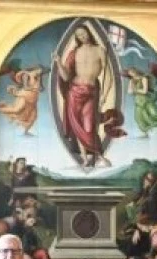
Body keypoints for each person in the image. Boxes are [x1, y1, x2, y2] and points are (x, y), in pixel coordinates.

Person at [53, 25, 114, 168]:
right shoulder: (74, 52)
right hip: (74, 91)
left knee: (89, 126)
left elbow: (109, 76)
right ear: (77, 38)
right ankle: (85, 159)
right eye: (79, 35)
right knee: (77, 127)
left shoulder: (100, 50)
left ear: (89, 32)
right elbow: (66, 77)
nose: (82, 37)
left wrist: (104, 94)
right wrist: (58, 62)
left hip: (91, 92)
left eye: (83, 33)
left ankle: (99, 156)